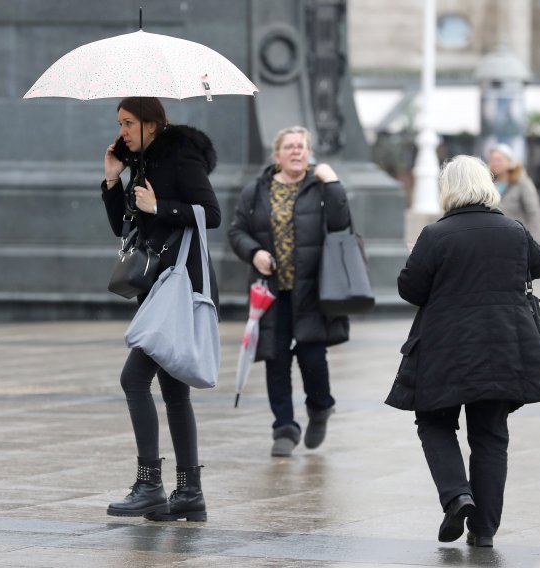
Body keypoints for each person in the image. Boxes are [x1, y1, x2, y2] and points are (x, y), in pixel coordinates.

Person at [386, 155, 540, 547]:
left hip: (447, 349)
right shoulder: (514, 229)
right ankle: (484, 531)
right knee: (491, 434)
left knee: (433, 421)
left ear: (449, 189)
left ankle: (457, 494)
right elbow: (538, 265)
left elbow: (410, 289)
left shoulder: (435, 235)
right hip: (505, 347)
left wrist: (416, 256)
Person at [101, 97, 220, 522]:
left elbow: (212, 213)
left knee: (133, 378)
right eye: (120, 123)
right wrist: (113, 180)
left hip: (180, 287)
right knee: (172, 390)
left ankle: (150, 485)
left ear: (153, 124)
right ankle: (190, 493)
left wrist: (163, 207)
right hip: (157, 289)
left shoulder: (180, 156)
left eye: (129, 123)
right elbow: (124, 226)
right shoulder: (142, 164)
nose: (123, 131)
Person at [228, 125, 352, 458]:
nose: (296, 151)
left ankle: (320, 407)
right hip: (271, 291)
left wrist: (333, 182)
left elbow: (342, 224)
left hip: (313, 289)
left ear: (309, 153)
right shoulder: (257, 190)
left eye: (302, 146)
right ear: (277, 154)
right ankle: (284, 426)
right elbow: (237, 230)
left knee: (313, 357)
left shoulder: (320, 187)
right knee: (276, 359)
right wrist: (254, 252)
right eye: (290, 146)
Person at [488, 143, 540, 239]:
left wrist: (534, 242)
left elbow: (534, 213)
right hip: (495, 238)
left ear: (510, 162)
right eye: (492, 160)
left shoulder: (523, 183)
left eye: (499, 160)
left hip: (517, 238)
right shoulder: (489, 184)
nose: (494, 163)